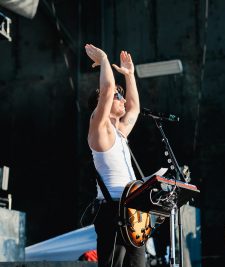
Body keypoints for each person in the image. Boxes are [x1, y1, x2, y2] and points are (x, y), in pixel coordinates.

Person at [85, 43, 145, 267]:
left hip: (133, 210)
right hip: (112, 211)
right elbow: (108, 89)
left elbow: (135, 109)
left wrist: (130, 76)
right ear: (105, 104)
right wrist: (103, 58)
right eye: (119, 96)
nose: (123, 99)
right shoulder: (99, 128)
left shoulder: (119, 133)